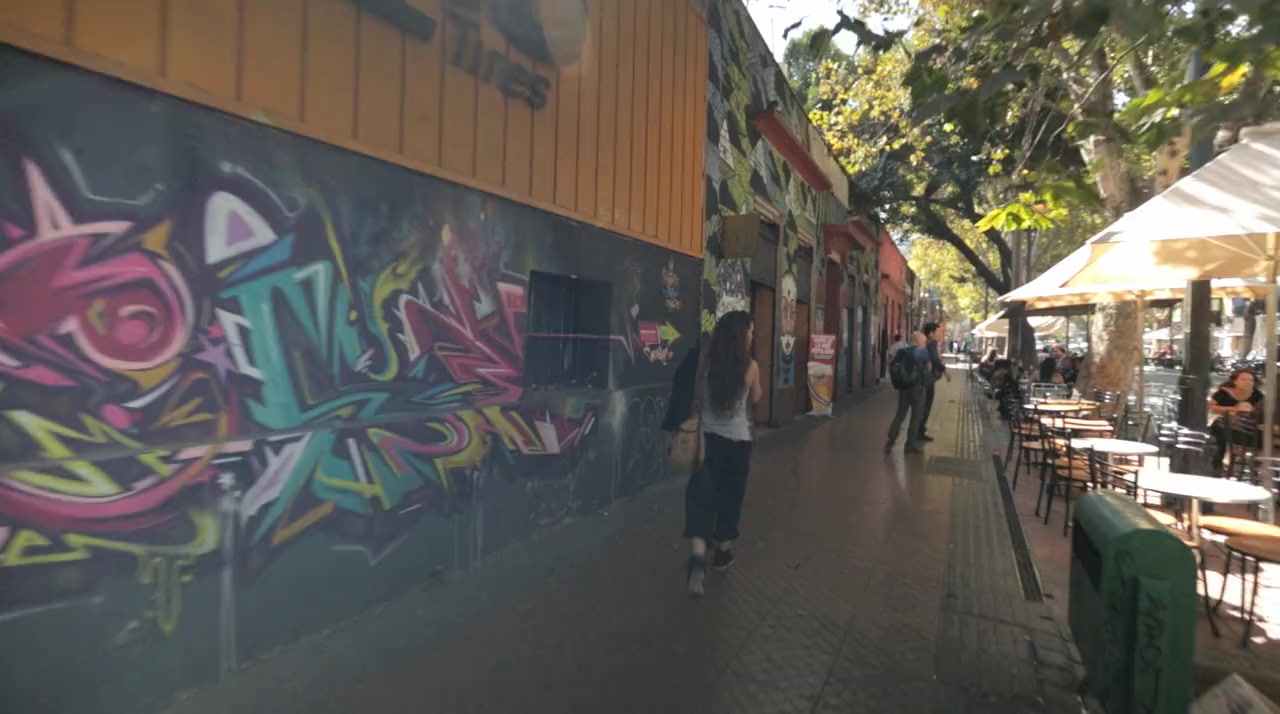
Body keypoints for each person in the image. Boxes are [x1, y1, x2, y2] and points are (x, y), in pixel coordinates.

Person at [684, 311, 762, 597]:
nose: (752, 336)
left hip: (707, 442)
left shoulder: (707, 363)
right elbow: (756, 397)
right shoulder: (751, 367)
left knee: (700, 497)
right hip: (738, 443)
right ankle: (723, 551)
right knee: (730, 496)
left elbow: (696, 397)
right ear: (741, 336)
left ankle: (697, 559)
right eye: (750, 332)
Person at [1208, 368, 1264, 473]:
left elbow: (1260, 414)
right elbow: (1211, 408)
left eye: (1251, 380)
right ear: (1235, 381)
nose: (1248, 382)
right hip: (1227, 424)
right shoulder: (1224, 392)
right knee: (1218, 429)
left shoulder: (1258, 396)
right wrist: (1234, 409)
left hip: (1247, 429)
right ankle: (1216, 464)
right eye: (1243, 379)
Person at [885, 331, 931, 455]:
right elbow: (928, 368)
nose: (925, 343)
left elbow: (892, 365)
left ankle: (891, 439)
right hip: (917, 389)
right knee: (916, 417)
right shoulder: (922, 351)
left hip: (904, 388)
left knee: (900, 414)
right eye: (924, 341)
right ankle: (910, 444)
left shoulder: (902, 351)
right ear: (918, 341)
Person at [918, 321, 949, 442]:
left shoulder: (924, 342)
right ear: (931, 333)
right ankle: (920, 431)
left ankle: (920, 429)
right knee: (926, 405)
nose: (939, 334)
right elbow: (935, 359)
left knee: (923, 404)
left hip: (923, 378)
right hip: (928, 379)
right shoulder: (931, 343)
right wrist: (945, 371)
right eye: (937, 332)